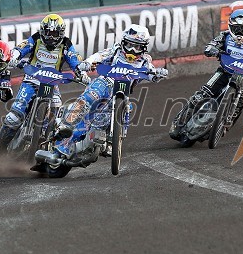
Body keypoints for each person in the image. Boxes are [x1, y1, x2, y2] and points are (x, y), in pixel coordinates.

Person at [53, 24, 168, 157]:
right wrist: (88, 62)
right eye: (129, 45)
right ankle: (65, 125)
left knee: (125, 109)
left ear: (143, 47)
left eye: (136, 46)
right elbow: (99, 56)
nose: (131, 49)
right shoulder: (115, 51)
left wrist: (158, 73)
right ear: (123, 42)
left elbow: (152, 74)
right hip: (105, 82)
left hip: (120, 95)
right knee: (88, 98)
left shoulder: (144, 62)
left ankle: (112, 141)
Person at [169, 8, 243, 142]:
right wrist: (212, 50)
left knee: (241, 102)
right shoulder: (224, 36)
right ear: (230, 26)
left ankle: (222, 128)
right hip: (223, 73)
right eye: (236, 28)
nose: (239, 32)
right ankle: (179, 123)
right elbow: (211, 45)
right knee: (200, 95)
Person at [0, 13, 90, 153]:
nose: (51, 37)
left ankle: (47, 143)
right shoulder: (36, 39)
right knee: (14, 116)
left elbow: (75, 61)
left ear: (61, 33)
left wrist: (82, 73)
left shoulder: (66, 44)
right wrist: (14, 57)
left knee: (56, 109)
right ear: (43, 30)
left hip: (52, 83)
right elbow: (21, 48)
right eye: (48, 32)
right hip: (32, 80)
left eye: (55, 33)